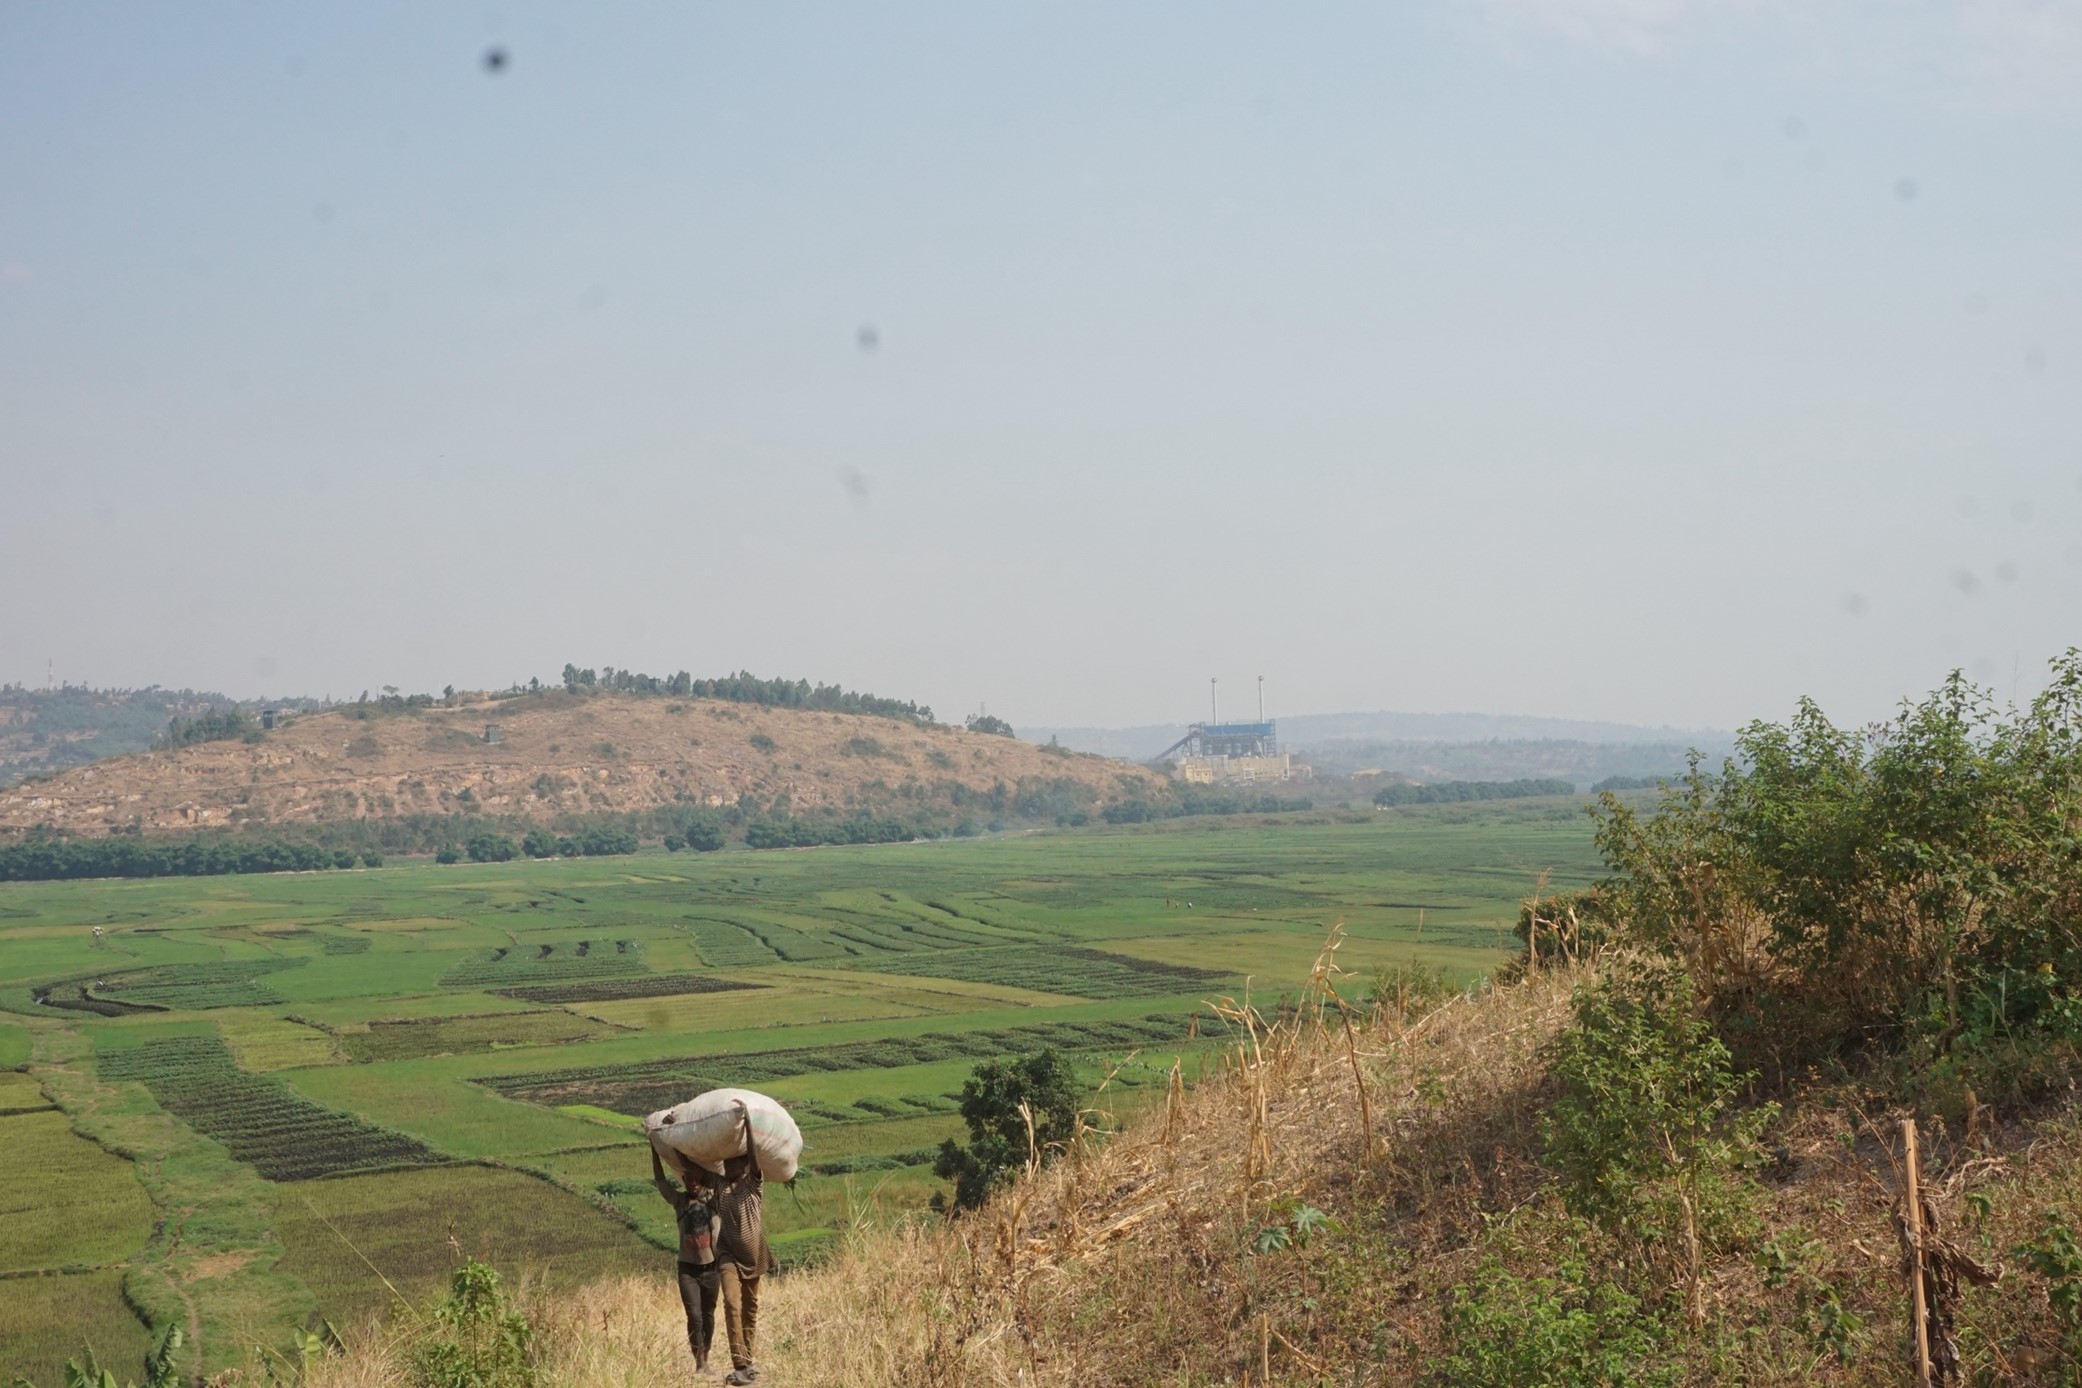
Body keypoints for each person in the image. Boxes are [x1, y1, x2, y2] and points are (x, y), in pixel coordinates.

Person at [711, 1112, 774, 1386]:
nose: (728, 1165)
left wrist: (748, 1124)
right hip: (728, 1254)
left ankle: (749, 1360)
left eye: (735, 1161)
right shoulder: (720, 1186)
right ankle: (739, 1365)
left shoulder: (754, 1184)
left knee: (750, 1308)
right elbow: (693, 1167)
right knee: (731, 1304)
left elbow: (755, 1156)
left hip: (755, 1255)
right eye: (726, 1162)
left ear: (745, 1164)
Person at [653, 1149, 721, 1374]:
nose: (692, 1183)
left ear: (702, 1179)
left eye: (695, 1179)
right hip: (688, 1270)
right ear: (683, 1181)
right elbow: (661, 1181)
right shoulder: (679, 1202)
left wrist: (689, 1160)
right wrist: (654, 1150)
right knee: (694, 1315)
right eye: (687, 1179)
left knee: (708, 1315)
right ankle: (699, 1361)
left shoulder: (713, 1200)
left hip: (711, 1268)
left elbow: (720, 1180)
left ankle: (706, 1354)